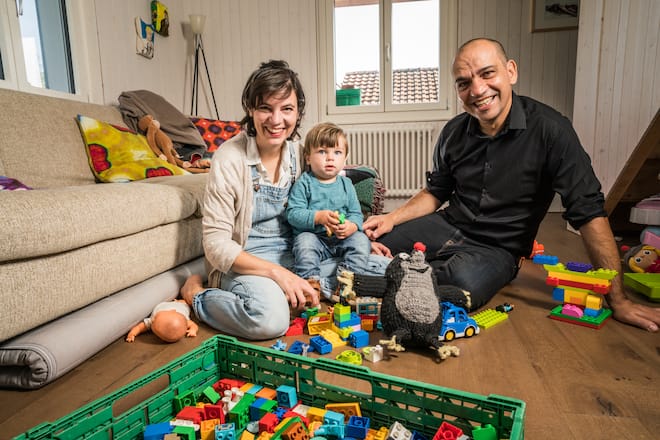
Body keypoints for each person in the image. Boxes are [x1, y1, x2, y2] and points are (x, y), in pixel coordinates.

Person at [363, 38, 660, 333]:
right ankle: (401, 274)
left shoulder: (552, 130)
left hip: (499, 247)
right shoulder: (453, 131)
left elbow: (589, 211)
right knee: (367, 247)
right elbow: (436, 192)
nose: (477, 90)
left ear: (511, 72)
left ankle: (385, 278)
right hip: (448, 223)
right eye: (464, 83)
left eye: (487, 74)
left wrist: (618, 301)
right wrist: (391, 218)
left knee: (463, 285)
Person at [181, 60, 390, 340]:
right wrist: (277, 273)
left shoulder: (298, 154)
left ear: (298, 112)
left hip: (299, 256)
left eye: (287, 109)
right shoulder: (229, 158)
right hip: (247, 264)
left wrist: (353, 237)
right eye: (265, 108)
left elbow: (322, 204)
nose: (276, 120)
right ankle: (197, 294)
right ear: (251, 109)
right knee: (269, 320)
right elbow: (216, 246)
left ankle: (299, 290)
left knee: (388, 270)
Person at [286, 122, 371, 293]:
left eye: (337, 152)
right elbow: (293, 214)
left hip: (342, 239)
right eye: (322, 152)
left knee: (362, 241)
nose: (330, 158)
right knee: (304, 243)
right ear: (308, 157)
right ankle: (310, 286)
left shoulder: (346, 184)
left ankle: (346, 284)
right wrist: (318, 217)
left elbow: (356, 214)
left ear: (345, 158)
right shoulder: (304, 183)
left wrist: (351, 226)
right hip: (315, 239)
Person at [125, 299, 198, 343]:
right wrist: (193, 330)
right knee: (185, 302)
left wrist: (132, 334)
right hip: (181, 305)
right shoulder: (184, 319)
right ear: (173, 311)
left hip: (175, 305)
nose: (153, 318)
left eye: (155, 317)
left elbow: (139, 327)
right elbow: (193, 325)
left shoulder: (153, 321)